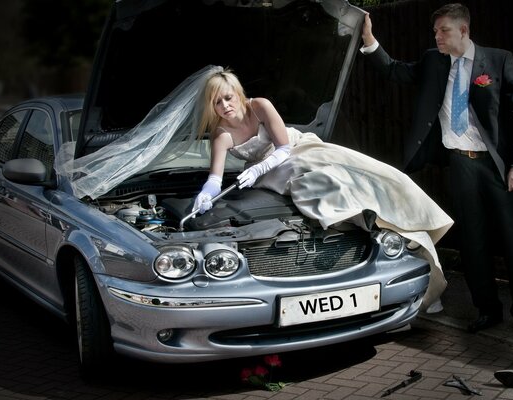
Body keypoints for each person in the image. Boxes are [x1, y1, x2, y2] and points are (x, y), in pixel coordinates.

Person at [192, 67, 454, 310]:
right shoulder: (221, 134)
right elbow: (215, 178)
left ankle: (393, 206)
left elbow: (283, 148)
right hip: (268, 171)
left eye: (227, 98)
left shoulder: (259, 106)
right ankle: (361, 216)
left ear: (237, 94)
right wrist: (205, 194)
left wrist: (259, 168)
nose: (225, 106)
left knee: (359, 168)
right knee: (315, 181)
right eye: (217, 102)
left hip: (291, 150)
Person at [360, 3, 513, 337]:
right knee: (472, 240)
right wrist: (370, 41)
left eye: (443, 30)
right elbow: (395, 71)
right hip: (460, 163)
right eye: (435, 31)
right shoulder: (433, 60)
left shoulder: (498, 60)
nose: (437, 36)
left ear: (463, 30)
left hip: (498, 167)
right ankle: (487, 310)